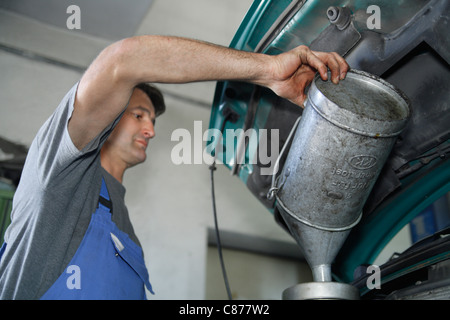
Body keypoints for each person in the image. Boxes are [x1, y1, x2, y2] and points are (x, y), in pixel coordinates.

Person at [0, 35, 349, 299]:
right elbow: (124, 60)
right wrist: (269, 70)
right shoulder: (60, 176)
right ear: (107, 117)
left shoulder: (121, 222)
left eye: (151, 119)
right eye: (138, 115)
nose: (151, 130)